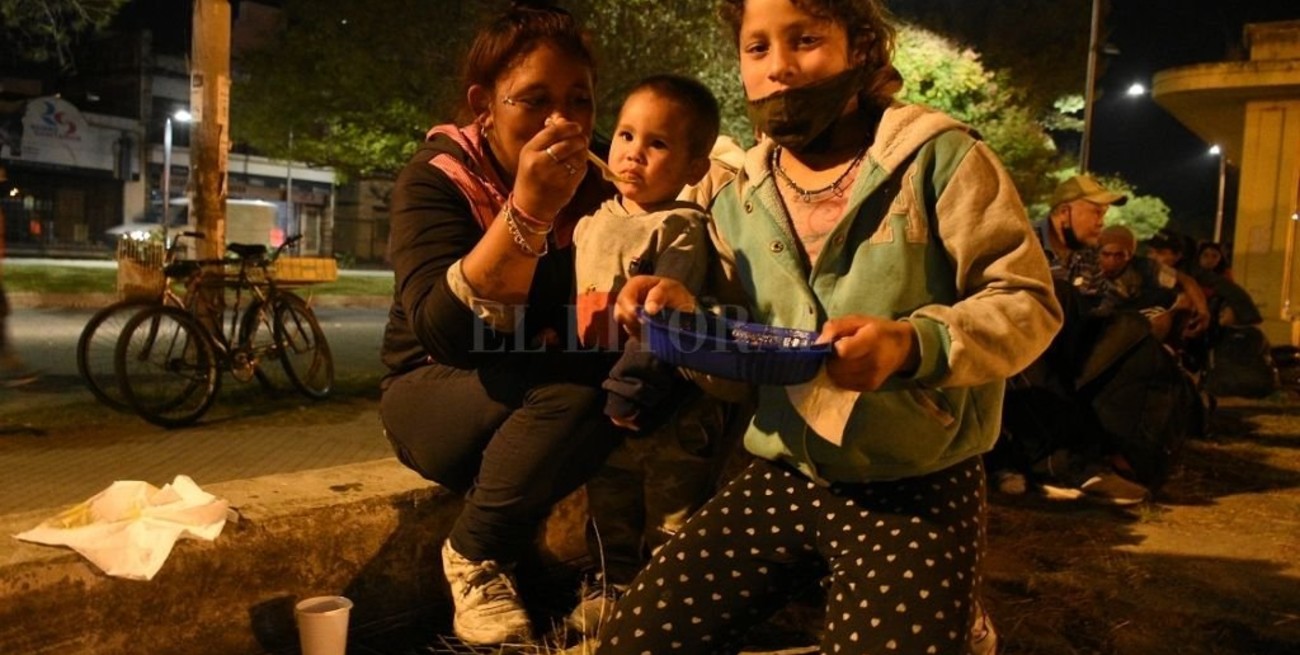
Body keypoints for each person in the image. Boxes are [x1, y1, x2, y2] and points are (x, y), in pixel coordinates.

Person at [599, 0, 1062, 652]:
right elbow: (746, 345)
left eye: (806, 40)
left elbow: (1026, 300)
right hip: (782, 471)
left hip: (917, 481)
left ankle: (954, 610)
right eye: (757, 48)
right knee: (635, 639)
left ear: (861, 49)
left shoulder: (940, 159)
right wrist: (687, 318)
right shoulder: (739, 194)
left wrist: (914, 344)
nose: (779, 67)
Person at [378, 2, 621, 645]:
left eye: (579, 101)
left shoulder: (603, 178)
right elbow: (449, 338)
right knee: (576, 382)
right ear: (483, 104)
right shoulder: (436, 181)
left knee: (648, 373)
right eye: (534, 101)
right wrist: (530, 211)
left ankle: (618, 569)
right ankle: (475, 556)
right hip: (436, 395)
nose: (561, 122)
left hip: (541, 392)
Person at [567, 73, 732, 635]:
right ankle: (612, 588)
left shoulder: (680, 228)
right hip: (604, 394)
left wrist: (633, 388)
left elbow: (665, 320)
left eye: (657, 143)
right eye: (626, 135)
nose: (633, 152)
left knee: (672, 509)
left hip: (666, 402)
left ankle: (671, 604)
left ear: (694, 168)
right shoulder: (593, 222)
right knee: (608, 498)